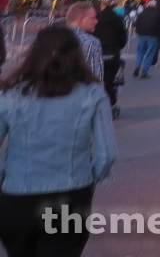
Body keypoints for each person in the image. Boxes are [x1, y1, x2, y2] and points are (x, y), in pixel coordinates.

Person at [0, 26, 117, 257]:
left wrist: (5, 177)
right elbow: (108, 154)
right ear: (77, 56)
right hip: (71, 194)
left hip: (17, 196)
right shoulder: (93, 94)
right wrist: (91, 178)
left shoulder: (10, 95)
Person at [94, 0, 128, 118]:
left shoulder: (96, 18)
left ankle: (95, 105)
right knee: (109, 82)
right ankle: (108, 105)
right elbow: (123, 38)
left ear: (103, 4)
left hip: (97, 53)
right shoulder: (117, 19)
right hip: (113, 54)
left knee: (96, 80)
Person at [65, 1, 104, 81]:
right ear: (80, 20)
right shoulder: (92, 42)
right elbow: (97, 77)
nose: (96, 21)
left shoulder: (53, 39)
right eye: (93, 18)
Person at [133, 0, 160, 79]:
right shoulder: (157, 14)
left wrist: (138, 31)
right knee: (150, 53)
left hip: (142, 35)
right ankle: (144, 72)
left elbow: (136, 24)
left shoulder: (141, 14)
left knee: (140, 51)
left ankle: (137, 66)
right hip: (152, 35)